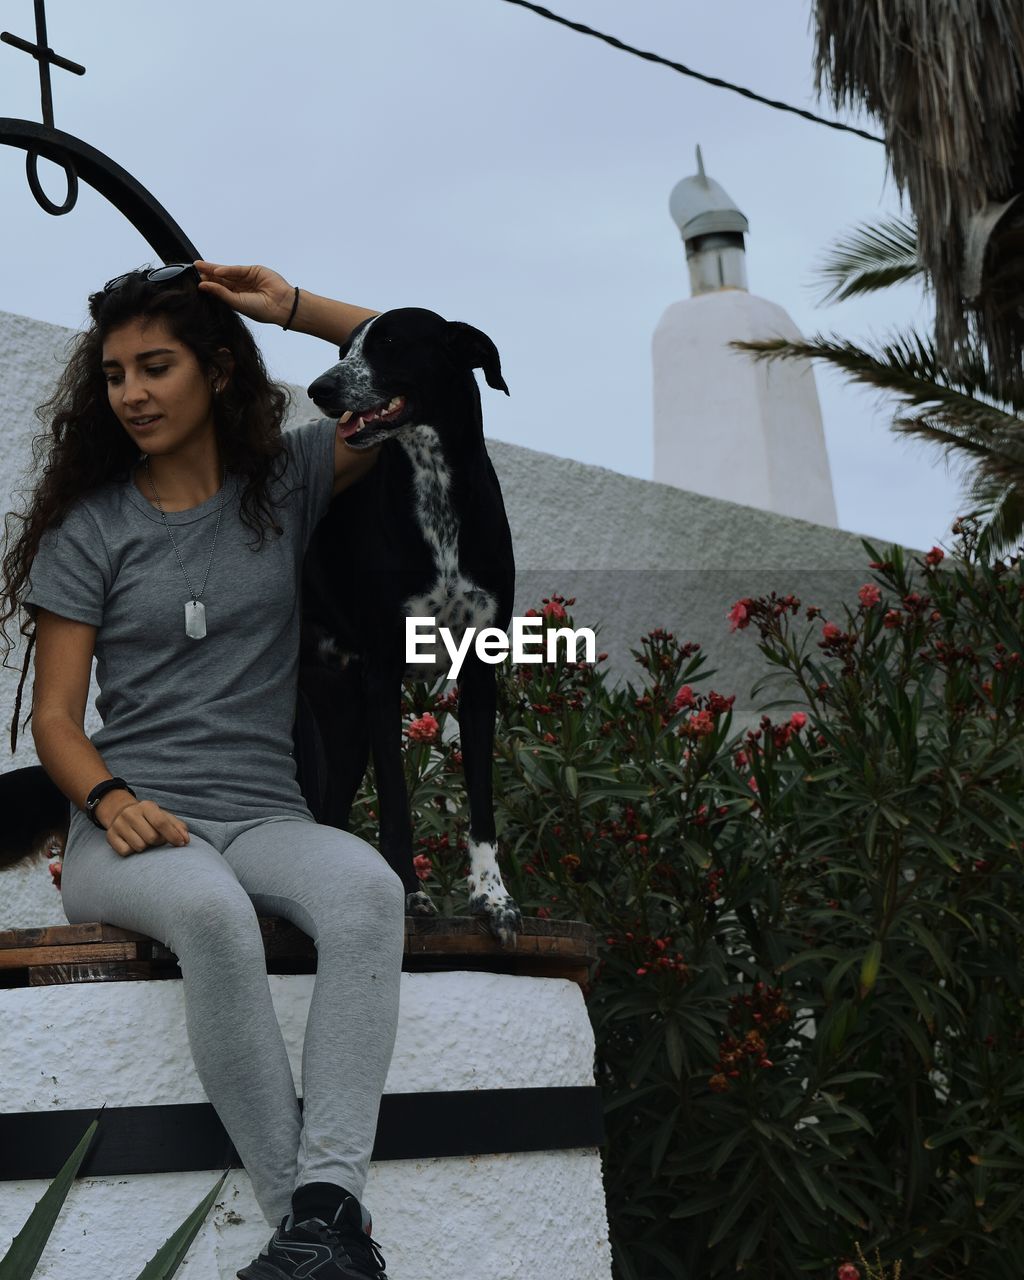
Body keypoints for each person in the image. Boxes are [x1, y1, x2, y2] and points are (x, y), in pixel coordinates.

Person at [0, 261, 402, 1280]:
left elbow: (418, 377)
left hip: (265, 811)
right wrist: (110, 797)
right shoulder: (90, 529)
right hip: (128, 831)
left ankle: (323, 1214)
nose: (131, 392)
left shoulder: (290, 480)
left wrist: (296, 308)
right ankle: (311, 1233)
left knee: (366, 890)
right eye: (114, 373)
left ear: (219, 371)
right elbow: (54, 717)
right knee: (215, 914)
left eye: (157, 366)